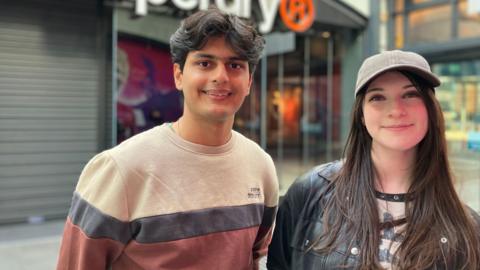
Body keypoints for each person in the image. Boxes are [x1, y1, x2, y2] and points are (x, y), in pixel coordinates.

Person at [57, 7, 278, 270]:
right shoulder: (119, 169)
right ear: (178, 76)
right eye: (205, 63)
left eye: (235, 65)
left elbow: (255, 257)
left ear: (249, 81)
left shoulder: (261, 166)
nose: (220, 76)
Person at [267, 50, 480, 269]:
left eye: (410, 94)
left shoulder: (467, 226)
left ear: (430, 108)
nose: (396, 110)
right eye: (377, 97)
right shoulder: (311, 192)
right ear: (361, 114)